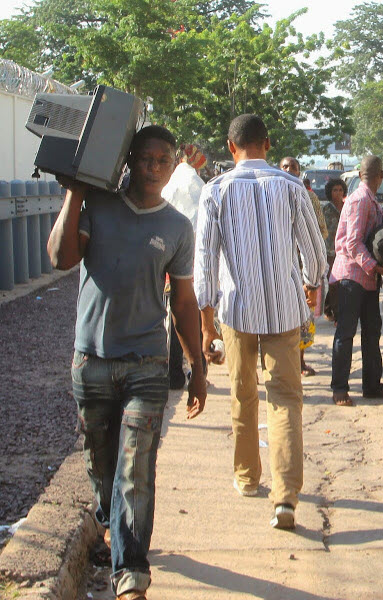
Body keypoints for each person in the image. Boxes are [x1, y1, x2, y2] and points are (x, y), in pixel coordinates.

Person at [48, 125, 207, 600]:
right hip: (92, 362)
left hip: (146, 364)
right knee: (102, 470)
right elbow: (59, 257)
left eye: (164, 160)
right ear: (129, 160)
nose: (155, 168)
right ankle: (111, 521)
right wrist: (75, 192)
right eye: (146, 159)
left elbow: (182, 304)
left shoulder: (177, 226)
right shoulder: (97, 207)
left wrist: (198, 367)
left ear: (173, 162)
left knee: (135, 469)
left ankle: (131, 574)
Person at [195, 114, 327, 529]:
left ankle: (248, 477)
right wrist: (311, 284)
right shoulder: (292, 187)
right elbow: (315, 252)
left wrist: (205, 322)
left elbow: (204, 264)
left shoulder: (214, 191)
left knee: (242, 392)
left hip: (236, 311)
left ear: (231, 147)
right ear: (267, 145)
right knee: (286, 399)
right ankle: (285, 498)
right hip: (286, 312)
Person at [330, 155, 383, 406]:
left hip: (368, 277)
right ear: (380, 176)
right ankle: (339, 388)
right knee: (346, 333)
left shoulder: (370, 200)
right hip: (353, 275)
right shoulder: (361, 200)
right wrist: (379, 268)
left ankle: (372, 385)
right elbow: (352, 243)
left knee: (372, 333)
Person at [162, 143, 209, 389]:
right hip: (192, 264)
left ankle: (173, 375)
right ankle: (197, 371)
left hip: (168, 261)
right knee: (195, 320)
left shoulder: (168, 184)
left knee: (173, 318)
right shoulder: (199, 187)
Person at [280, 157, 328, 377]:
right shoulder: (273, 195)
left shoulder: (309, 197)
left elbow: (321, 231)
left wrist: (306, 240)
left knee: (302, 317)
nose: (290, 170)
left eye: (294, 168)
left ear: (300, 173)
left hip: (304, 268)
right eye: (285, 167)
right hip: (281, 267)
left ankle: (299, 362)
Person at [322, 177, 347, 321]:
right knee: (334, 282)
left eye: (340, 190)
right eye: (335, 190)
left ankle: (328, 308)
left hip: (343, 251)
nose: (338, 193)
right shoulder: (325, 209)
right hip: (329, 251)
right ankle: (338, 316)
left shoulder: (347, 208)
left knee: (339, 283)